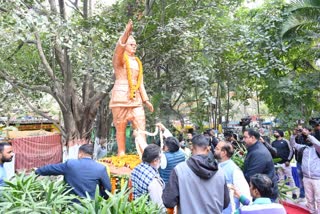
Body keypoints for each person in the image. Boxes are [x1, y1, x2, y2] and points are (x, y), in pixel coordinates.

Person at [109, 19, 154, 156]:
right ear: (126, 46)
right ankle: (121, 153)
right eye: (131, 44)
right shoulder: (120, 60)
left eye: (135, 45)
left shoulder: (137, 62)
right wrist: (126, 33)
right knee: (120, 128)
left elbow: (140, 82)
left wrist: (146, 100)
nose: (134, 47)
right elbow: (118, 50)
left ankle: (143, 155)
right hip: (120, 99)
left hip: (136, 100)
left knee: (141, 127)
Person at [162, 134, 230, 213]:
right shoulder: (220, 172)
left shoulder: (179, 170)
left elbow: (168, 201)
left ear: (192, 148)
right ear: (208, 149)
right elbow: (225, 202)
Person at [35, 144, 111, 199]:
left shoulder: (71, 164)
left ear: (80, 154)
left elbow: (51, 168)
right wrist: (102, 199)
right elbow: (108, 189)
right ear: (92, 155)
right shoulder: (101, 168)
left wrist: (37, 171)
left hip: (71, 205)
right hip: (91, 206)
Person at [214, 141, 251, 214]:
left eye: (217, 148)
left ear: (224, 153)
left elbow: (244, 193)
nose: (214, 150)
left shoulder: (234, 170)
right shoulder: (217, 165)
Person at [290, 128, 320, 214]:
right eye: (306, 139)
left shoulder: (318, 148)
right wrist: (293, 135)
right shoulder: (304, 148)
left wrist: (308, 135)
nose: (307, 140)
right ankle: (312, 212)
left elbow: (317, 143)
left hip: (317, 179)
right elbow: (293, 144)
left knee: (319, 199)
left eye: (309, 138)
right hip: (306, 178)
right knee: (309, 199)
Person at [243, 129, 278, 201]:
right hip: (260, 191)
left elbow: (251, 175)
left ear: (252, 138)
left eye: (245, 137)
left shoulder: (258, 153)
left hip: (264, 195)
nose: (243, 140)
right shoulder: (255, 149)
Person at [262, 129, 297, 199]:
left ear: (280, 133)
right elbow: (271, 152)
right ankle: (283, 192)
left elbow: (291, 151)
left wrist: (288, 160)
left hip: (285, 163)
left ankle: (294, 193)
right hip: (277, 164)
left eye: (276, 132)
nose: (274, 133)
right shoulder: (273, 143)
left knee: (290, 178)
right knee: (281, 179)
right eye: (274, 132)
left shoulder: (285, 141)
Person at [131, 144, 164, 208]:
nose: (161, 161)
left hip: (135, 208)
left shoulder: (136, 169)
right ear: (155, 161)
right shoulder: (153, 181)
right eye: (160, 158)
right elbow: (158, 206)